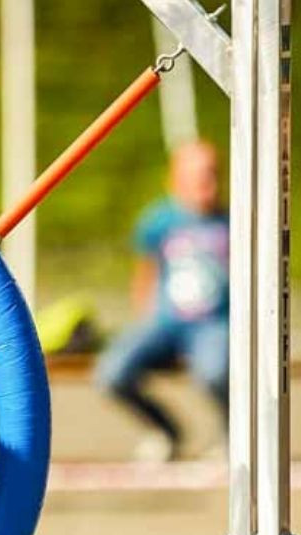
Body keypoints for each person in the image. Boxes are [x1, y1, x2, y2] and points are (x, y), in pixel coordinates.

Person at [95, 141, 229, 462]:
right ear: (176, 181)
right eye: (197, 177)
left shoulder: (233, 220)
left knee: (215, 371)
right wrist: (145, 320)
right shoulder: (158, 221)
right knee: (111, 372)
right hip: (165, 322)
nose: (206, 185)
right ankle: (166, 431)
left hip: (215, 323)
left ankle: (232, 435)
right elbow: (146, 273)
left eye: (211, 175)